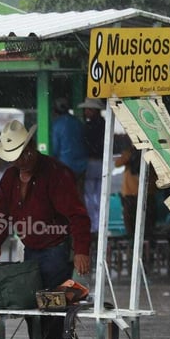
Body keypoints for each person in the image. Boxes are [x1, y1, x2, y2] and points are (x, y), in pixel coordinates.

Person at [0, 120, 92, 339]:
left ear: (30, 147)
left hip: (56, 251)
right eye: (15, 157)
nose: (21, 160)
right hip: (32, 253)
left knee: (55, 311)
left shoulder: (55, 173)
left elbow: (78, 215)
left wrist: (82, 251)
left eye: (23, 153)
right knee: (33, 312)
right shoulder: (10, 177)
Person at [78, 98, 106, 238]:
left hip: (90, 162)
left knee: (89, 196)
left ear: (94, 110)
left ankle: (93, 226)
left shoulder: (87, 127)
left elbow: (84, 145)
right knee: (101, 195)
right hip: (103, 163)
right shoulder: (105, 125)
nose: (85, 112)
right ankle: (101, 225)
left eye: (88, 109)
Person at [50, 97, 88, 194]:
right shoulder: (78, 122)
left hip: (66, 165)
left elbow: (55, 149)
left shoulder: (56, 125)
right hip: (82, 165)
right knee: (79, 195)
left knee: (66, 194)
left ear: (55, 110)